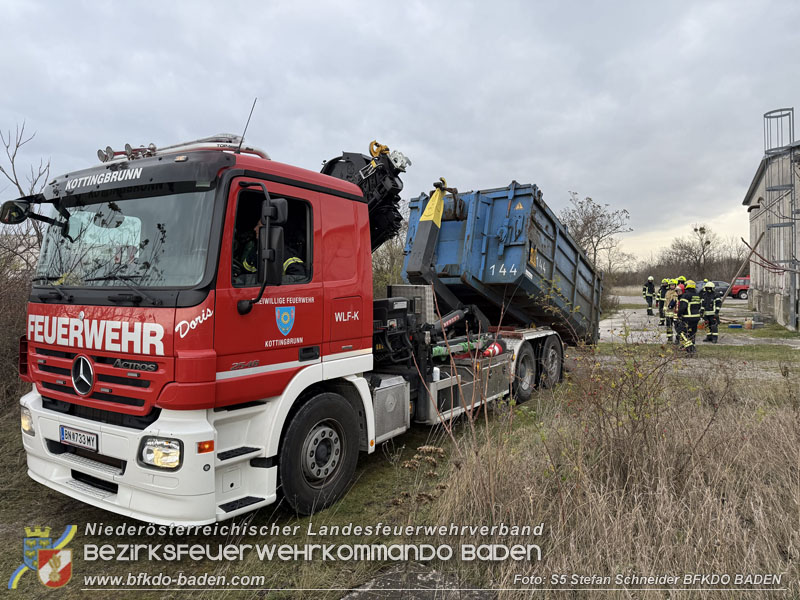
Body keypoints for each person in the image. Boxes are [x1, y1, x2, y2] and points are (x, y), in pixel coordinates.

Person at [677, 280, 702, 354]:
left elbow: (682, 307)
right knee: (692, 333)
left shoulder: (686, 295)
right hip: (696, 317)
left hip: (688, 317)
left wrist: (679, 315)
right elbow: (699, 306)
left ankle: (690, 347)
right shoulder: (697, 295)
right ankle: (691, 347)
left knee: (680, 331)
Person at [664, 278, 679, 343]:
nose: (671, 286)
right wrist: (664, 308)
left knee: (677, 327)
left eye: (673, 285)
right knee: (668, 326)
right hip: (668, 313)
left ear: (675, 285)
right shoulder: (667, 292)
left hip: (674, 313)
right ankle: (669, 338)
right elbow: (665, 301)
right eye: (670, 285)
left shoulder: (677, 292)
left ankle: (678, 338)